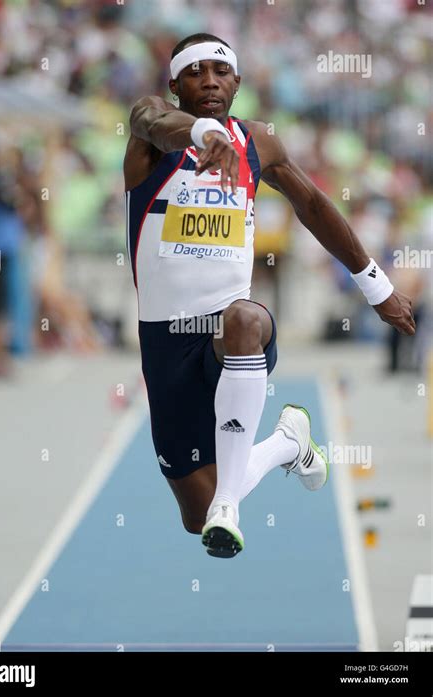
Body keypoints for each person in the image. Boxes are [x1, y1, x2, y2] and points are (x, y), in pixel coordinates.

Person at [123, 33, 415, 558]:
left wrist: (376, 284)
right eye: (196, 72)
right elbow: (151, 119)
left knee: (245, 319)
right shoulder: (149, 135)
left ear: (237, 82)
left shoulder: (259, 144)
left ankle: (230, 508)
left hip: (230, 332)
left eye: (221, 71)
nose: (209, 80)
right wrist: (204, 133)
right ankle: (287, 442)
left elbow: (315, 207)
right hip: (165, 342)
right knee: (197, 515)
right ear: (174, 84)